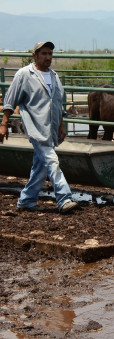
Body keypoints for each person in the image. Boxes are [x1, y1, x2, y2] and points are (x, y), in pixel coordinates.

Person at [0, 41, 78, 213]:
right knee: (52, 161)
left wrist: (61, 126)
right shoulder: (24, 75)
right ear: (35, 55)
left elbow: (58, 104)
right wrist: (4, 123)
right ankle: (64, 198)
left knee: (41, 166)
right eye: (44, 53)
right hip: (35, 127)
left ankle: (27, 200)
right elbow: (10, 100)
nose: (48, 57)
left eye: (50, 54)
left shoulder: (54, 76)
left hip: (51, 128)